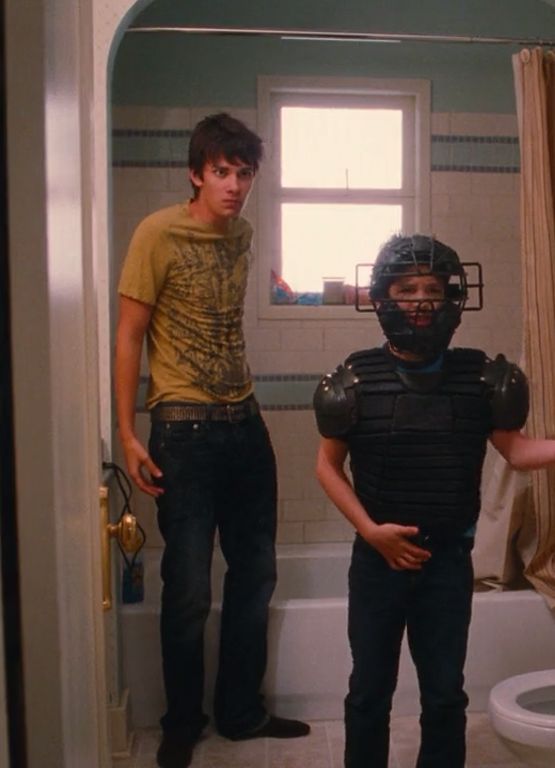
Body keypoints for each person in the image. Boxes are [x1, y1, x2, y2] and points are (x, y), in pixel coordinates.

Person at [313, 233, 555, 768]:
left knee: (445, 693)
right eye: (407, 289)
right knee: (368, 692)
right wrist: (371, 533)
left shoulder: (483, 378)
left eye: (432, 289)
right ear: (382, 297)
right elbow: (326, 468)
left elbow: (515, 450)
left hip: (446, 561)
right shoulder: (355, 378)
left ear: (453, 297)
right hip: (377, 561)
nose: (422, 301)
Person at [115, 113, 309, 768]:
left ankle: (240, 711)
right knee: (190, 586)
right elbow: (128, 336)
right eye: (221, 171)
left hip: (245, 425)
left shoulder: (244, 234)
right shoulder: (155, 234)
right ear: (196, 173)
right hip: (182, 430)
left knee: (254, 575)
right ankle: (182, 721)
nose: (233, 185)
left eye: (243, 173)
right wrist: (126, 430)